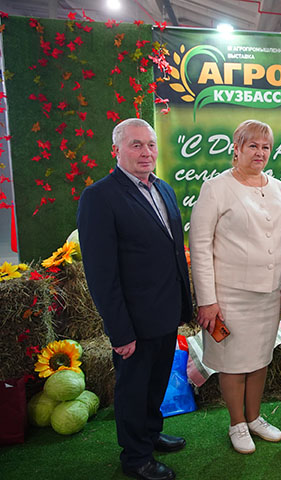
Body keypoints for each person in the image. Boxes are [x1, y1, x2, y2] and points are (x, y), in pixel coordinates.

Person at [78, 118, 193, 480]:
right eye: (136, 145)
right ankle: (136, 458)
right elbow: (101, 273)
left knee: (156, 383)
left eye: (151, 145)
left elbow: (173, 253)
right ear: (116, 150)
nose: (146, 152)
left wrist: (183, 306)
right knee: (133, 389)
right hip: (134, 320)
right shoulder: (99, 197)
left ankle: (151, 433)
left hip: (165, 312)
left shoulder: (164, 189)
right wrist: (120, 331)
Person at [189, 119, 281, 454]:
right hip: (229, 296)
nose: (260, 152)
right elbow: (200, 245)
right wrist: (207, 300)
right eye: (253, 146)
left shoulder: (278, 188)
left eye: (265, 147)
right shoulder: (216, 188)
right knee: (232, 362)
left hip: (269, 294)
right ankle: (237, 423)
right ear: (237, 148)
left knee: (260, 357)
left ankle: (255, 417)